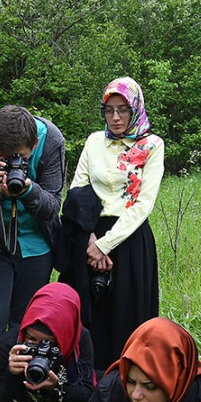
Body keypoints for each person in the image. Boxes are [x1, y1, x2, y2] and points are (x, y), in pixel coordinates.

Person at [59, 77, 164, 371]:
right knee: (93, 316)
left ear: (135, 109)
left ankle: (130, 385)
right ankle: (91, 389)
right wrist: (91, 238)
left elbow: (143, 203)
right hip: (89, 235)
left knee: (128, 317)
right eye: (109, 110)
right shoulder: (95, 141)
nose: (116, 117)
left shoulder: (152, 145)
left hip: (130, 240)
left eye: (123, 110)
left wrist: (105, 245)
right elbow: (78, 191)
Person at [0, 105, 66, 385]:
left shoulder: (52, 141)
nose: (9, 163)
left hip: (37, 245)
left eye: (18, 158)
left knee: (28, 323)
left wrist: (28, 190)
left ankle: (21, 388)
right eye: (1, 156)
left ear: (33, 145)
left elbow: (53, 207)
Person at [0, 282, 95, 402]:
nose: (39, 349)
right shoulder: (9, 345)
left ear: (66, 337)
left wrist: (56, 388)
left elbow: (86, 398)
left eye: (49, 344)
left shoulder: (79, 339)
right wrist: (12, 375)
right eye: (31, 339)